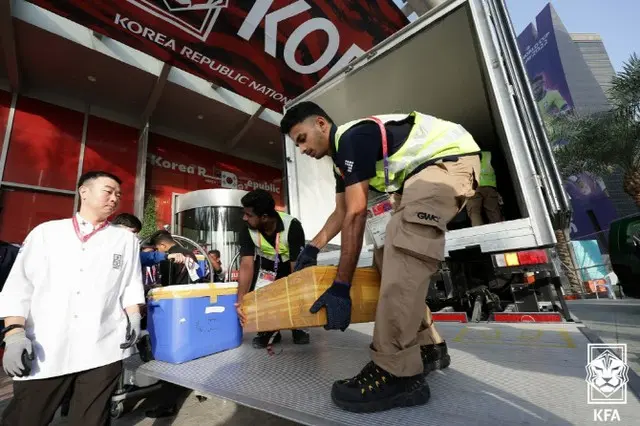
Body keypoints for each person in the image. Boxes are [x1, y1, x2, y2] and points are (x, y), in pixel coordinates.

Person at [280, 102, 481, 413]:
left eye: (302, 138)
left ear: (321, 123)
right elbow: (342, 211)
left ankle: (396, 372)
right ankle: (428, 347)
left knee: (404, 246)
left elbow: (358, 211)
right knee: (386, 258)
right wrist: (313, 248)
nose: (302, 149)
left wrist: (341, 286)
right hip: (418, 176)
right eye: (297, 144)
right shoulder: (341, 161)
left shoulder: (351, 138)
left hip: (444, 161)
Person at [0, 170, 145, 426]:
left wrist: (133, 316)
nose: (114, 198)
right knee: (27, 417)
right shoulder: (46, 233)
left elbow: (131, 284)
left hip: (103, 347)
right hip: (47, 348)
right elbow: (19, 286)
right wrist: (14, 334)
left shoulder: (125, 240)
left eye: (118, 195)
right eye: (108, 191)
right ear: (84, 191)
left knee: (92, 420)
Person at [234, 189, 309, 348]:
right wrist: (241, 300)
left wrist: (296, 294)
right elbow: (247, 264)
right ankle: (269, 331)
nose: (244, 218)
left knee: (296, 291)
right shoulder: (246, 229)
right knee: (262, 293)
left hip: (291, 266)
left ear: (264, 217)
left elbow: (297, 268)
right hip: (266, 267)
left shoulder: (292, 226)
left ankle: (298, 327)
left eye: (249, 215)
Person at [465, 151, 503, 226]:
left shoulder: (464, 157)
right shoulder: (489, 155)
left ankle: (479, 232)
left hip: (473, 187)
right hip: (489, 187)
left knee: (474, 213)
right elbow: (498, 170)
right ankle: (499, 229)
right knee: (493, 211)